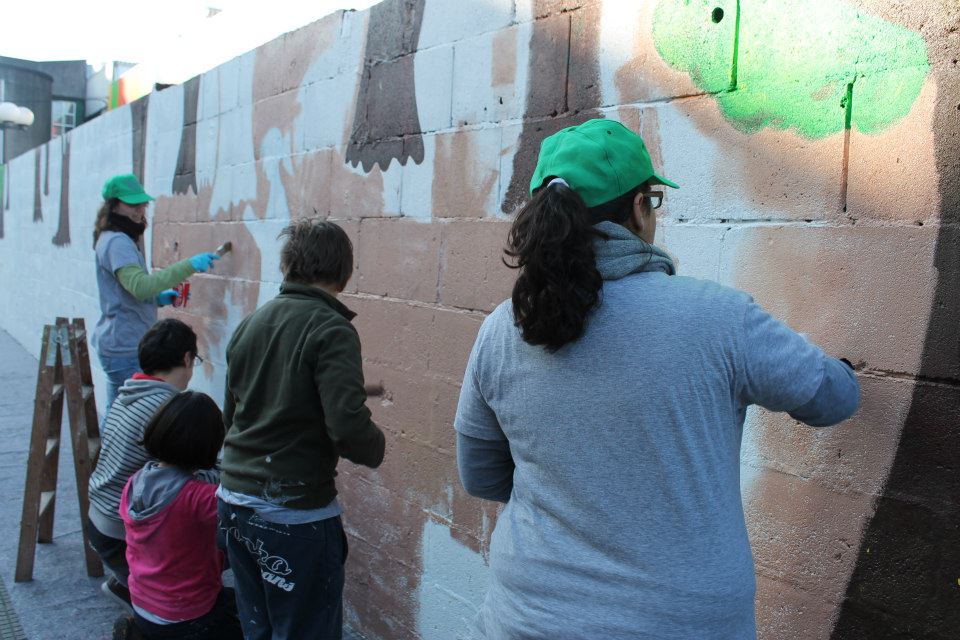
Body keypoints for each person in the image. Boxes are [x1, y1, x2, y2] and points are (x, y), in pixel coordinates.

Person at [454, 119, 861, 639]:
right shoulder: (718, 319)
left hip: (527, 620)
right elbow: (830, 398)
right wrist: (847, 372)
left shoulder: (501, 330)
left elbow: (481, 476)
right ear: (640, 209)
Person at [218, 220, 386, 640]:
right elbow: (347, 427)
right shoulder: (331, 328)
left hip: (235, 502)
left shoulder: (252, 323)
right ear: (343, 272)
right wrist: (376, 447)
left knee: (258, 625)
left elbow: (234, 412)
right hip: (292, 514)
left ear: (289, 265)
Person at [87, 318, 211, 608]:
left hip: (99, 521)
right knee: (219, 530)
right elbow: (195, 475)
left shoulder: (128, 393)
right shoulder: (166, 408)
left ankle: (127, 582)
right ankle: (151, 597)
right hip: (122, 534)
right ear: (186, 358)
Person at [110, 391, 241, 640]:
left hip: (142, 601)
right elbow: (244, 507)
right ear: (210, 444)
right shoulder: (200, 499)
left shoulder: (135, 483)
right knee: (252, 619)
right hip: (188, 614)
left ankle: (141, 632)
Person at [92, 173, 220, 414]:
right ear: (113, 205)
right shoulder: (118, 242)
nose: (139, 210)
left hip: (120, 342)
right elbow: (140, 286)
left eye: (141, 203)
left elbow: (130, 290)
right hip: (124, 346)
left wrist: (157, 298)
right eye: (132, 204)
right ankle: (116, 453)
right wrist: (190, 265)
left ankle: (110, 452)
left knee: (119, 413)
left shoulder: (115, 238)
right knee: (131, 417)